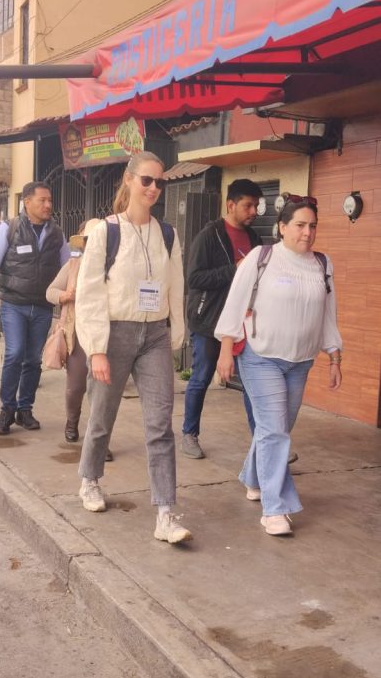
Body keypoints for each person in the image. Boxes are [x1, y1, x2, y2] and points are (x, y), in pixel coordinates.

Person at [74, 151, 191, 545]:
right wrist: (96, 349)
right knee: (102, 415)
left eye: (160, 182)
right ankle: (90, 479)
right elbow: (89, 292)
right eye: (146, 180)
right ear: (128, 180)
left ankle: (165, 513)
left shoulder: (168, 234)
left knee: (160, 424)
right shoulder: (106, 232)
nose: (154, 188)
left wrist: (176, 333)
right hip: (115, 333)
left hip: (155, 334)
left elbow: (176, 285)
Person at [215, 194, 342, 537]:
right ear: (282, 227)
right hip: (261, 356)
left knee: (276, 428)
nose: (307, 233)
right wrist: (225, 351)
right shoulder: (262, 257)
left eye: (312, 226)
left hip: (301, 361)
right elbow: (235, 304)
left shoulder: (323, 265)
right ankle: (275, 508)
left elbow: (328, 314)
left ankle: (253, 477)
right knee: (275, 430)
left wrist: (334, 355)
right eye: (300, 225)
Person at [0, 182, 69, 435]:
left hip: (42, 307)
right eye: (42, 200)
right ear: (27, 202)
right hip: (13, 304)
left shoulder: (56, 233)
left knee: (33, 359)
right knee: (15, 353)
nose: (48, 205)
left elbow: (68, 268)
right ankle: (7, 409)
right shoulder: (10, 228)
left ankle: (25, 409)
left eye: (50, 200)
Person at [181, 178, 263, 459]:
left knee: (252, 382)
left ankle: (264, 442)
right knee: (201, 377)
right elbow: (194, 278)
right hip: (209, 321)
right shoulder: (209, 235)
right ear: (231, 205)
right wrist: (234, 269)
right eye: (248, 205)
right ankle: (189, 434)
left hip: (243, 323)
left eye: (256, 206)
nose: (254, 211)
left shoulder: (255, 239)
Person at [46, 218, 113, 459]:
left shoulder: (115, 267)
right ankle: (72, 422)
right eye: (88, 240)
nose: (93, 244)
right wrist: (65, 295)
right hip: (77, 336)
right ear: (82, 243)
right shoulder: (73, 265)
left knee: (103, 393)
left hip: (106, 337)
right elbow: (50, 292)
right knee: (75, 388)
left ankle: (99, 442)